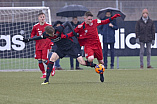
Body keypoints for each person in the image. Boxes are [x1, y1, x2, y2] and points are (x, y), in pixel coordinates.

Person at [23, 21, 100, 84]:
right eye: (51, 34)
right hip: (61, 49)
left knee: (82, 62)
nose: (53, 35)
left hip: (70, 46)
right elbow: (39, 37)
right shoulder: (45, 34)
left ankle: (96, 66)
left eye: (53, 33)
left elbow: (67, 23)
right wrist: (29, 40)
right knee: (52, 59)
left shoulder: (58, 29)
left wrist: (73, 32)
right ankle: (46, 80)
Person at [30, 12, 52, 78]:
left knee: (44, 60)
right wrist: (33, 38)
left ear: (45, 18)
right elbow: (32, 34)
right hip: (38, 45)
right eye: (41, 17)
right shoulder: (35, 26)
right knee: (39, 61)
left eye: (43, 17)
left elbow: (51, 35)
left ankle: (52, 67)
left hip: (45, 45)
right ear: (38, 18)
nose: (42, 18)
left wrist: (50, 43)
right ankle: (44, 73)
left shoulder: (48, 26)